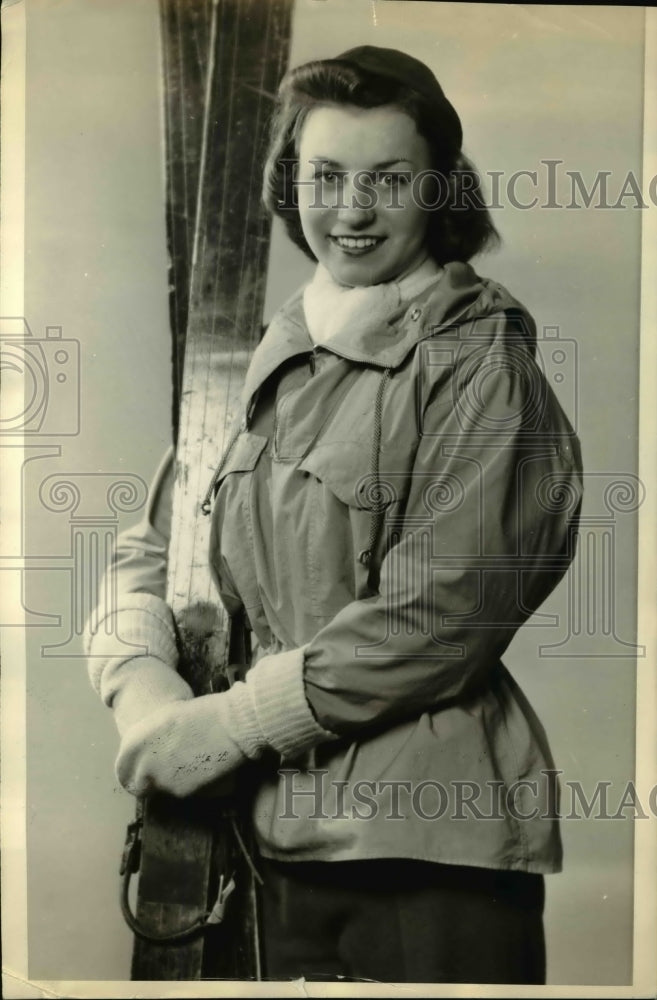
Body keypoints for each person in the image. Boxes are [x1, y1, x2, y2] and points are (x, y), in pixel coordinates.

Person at [85, 46, 583, 984]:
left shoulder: (480, 368)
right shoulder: (269, 350)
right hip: (254, 836)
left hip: (421, 848)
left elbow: (441, 618)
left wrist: (228, 726)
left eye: (389, 179)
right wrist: (141, 689)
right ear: (291, 183)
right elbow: (152, 550)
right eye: (326, 176)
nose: (351, 209)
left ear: (440, 191)